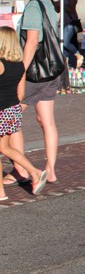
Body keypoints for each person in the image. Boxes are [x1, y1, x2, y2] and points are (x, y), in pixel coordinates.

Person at [3, 0, 60, 186]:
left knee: (11, 119)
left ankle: (21, 169)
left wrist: (19, 71)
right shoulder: (47, 3)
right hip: (51, 71)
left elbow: (32, 42)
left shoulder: (33, 7)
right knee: (47, 121)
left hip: (34, 74)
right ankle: (51, 170)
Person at [0, 27, 48, 198]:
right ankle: (33, 172)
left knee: (3, 148)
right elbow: (20, 94)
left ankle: (31, 173)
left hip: (1, 111)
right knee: (4, 147)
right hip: (13, 110)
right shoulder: (19, 66)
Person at [62, 0, 83, 68]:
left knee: (65, 42)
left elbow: (71, 9)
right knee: (63, 45)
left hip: (70, 21)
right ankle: (65, 64)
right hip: (63, 21)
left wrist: (62, 5)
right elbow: (58, 9)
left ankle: (78, 54)